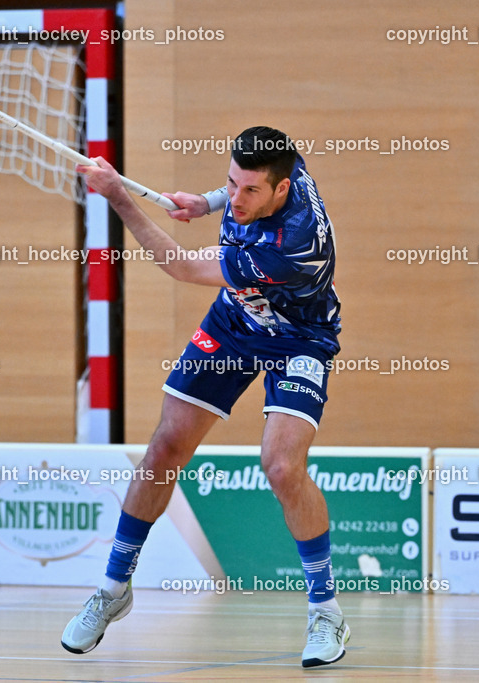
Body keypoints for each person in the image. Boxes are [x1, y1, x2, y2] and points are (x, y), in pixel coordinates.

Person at [61, 126, 347, 668]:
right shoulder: (285, 164)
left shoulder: (293, 248)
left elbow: (180, 266)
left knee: (283, 468)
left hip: (298, 338)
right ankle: (114, 588)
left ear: (282, 191)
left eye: (248, 193)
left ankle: (326, 611)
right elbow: (237, 191)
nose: (235, 200)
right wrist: (208, 201)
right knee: (165, 446)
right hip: (236, 319)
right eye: (230, 185)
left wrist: (118, 193)